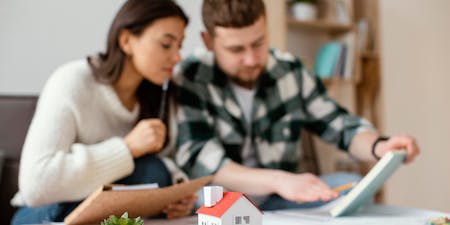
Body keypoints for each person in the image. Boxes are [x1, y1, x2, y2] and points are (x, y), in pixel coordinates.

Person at [174, 0, 420, 210]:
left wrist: (379, 146)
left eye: (258, 43)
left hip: (281, 198)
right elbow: (205, 164)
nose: (251, 59)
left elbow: (338, 124)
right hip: (223, 201)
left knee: (353, 185)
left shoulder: (290, 70)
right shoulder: (191, 77)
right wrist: (279, 180)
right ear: (208, 41)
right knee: (195, 204)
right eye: (236, 49)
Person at [11, 0, 196, 224]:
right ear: (126, 40)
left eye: (180, 46)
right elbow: (36, 185)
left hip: (111, 212)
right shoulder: (72, 81)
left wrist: (177, 194)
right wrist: (127, 148)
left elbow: (162, 165)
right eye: (166, 45)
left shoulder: (159, 93)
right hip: (43, 212)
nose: (177, 58)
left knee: (153, 171)